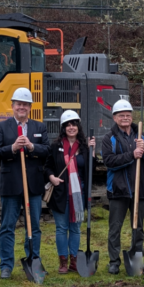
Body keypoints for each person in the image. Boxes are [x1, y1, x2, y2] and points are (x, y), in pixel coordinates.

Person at [0, 87, 50, 279]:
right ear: (13, 106)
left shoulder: (39, 127)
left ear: (30, 107)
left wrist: (32, 147)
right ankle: (6, 266)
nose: (22, 107)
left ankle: (34, 260)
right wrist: (13, 148)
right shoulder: (2, 127)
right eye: (19, 104)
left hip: (33, 184)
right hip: (11, 183)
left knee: (34, 226)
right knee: (7, 226)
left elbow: (47, 150)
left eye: (25, 104)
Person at [101, 99, 144, 274]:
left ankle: (136, 258)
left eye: (128, 115)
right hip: (118, 190)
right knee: (115, 227)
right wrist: (131, 154)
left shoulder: (142, 136)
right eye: (121, 115)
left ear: (132, 116)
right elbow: (109, 162)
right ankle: (114, 261)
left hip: (139, 189)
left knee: (138, 227)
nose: (125, 118)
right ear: (115, 117)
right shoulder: (108, 138)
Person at [45, 110, 96, 274]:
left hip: (79, 196)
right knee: (61, 228)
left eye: (74, 124)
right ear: (63, 128)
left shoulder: (85, 148)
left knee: (75, 228)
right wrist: (51, 177)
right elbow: (47, 166)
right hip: (60, 194)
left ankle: (74, 260)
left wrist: (92, 152)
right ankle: (63, 262)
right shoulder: (56, 146)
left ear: (78, 126)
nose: (71, 127)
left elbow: (91, 170)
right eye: (67, 125)